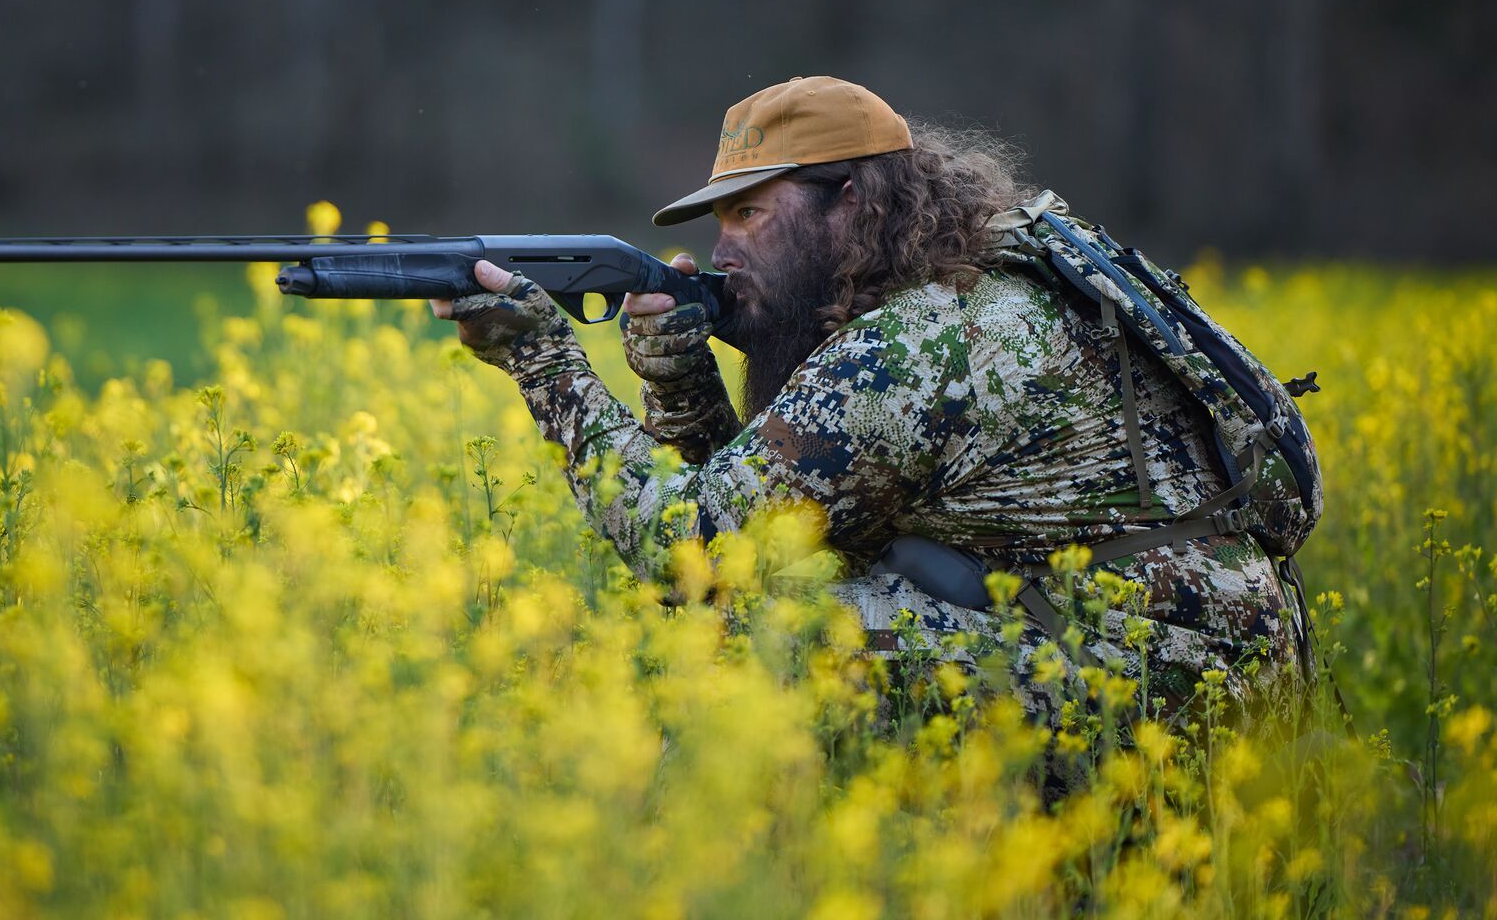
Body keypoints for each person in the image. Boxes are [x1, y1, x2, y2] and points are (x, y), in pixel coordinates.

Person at [431, 76, 1306, 723]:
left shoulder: (927, 343)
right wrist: (682, 380)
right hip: (1188, 657)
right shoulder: (967, 288)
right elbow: (775, 522)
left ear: (848, 203)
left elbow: (695, 552)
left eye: (750, 215)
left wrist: (542, 360)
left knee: (731, 646)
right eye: (719, 221)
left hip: (1162, 689)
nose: (722, 250)